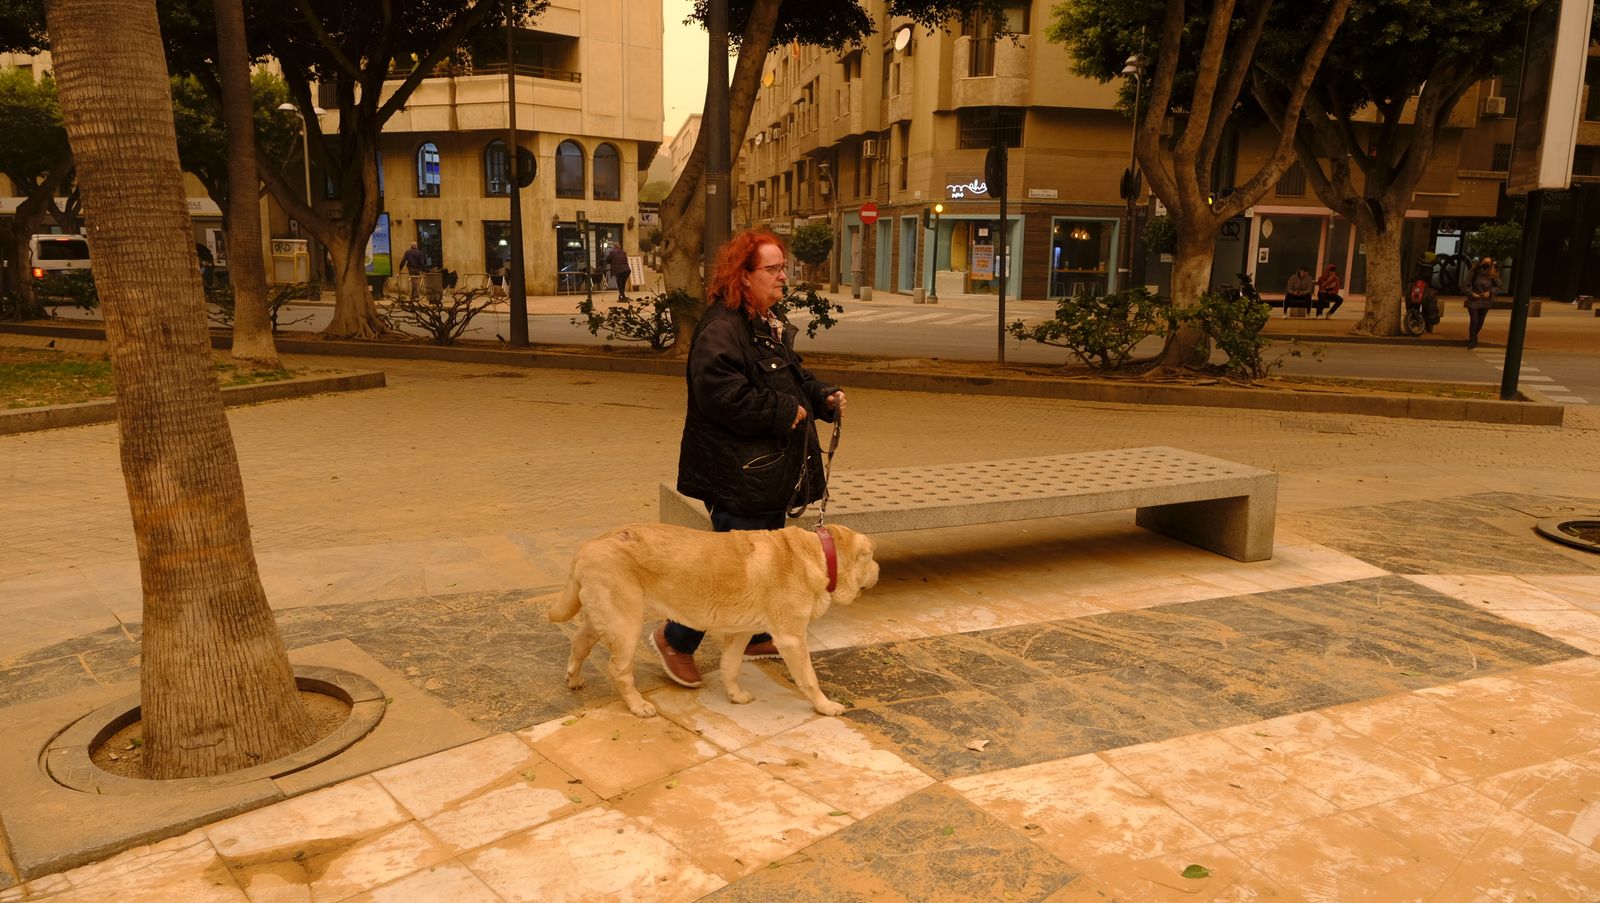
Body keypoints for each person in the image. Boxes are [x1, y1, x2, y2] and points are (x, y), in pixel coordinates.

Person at [654, 228, 847, 689]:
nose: (783, 276)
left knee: (767, 562)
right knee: (725, 572)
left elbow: (792, 378)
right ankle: (675, 640)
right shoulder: (722, 328)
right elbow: (720, 396)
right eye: (773, 268)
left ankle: (757, 633)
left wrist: (822, 397)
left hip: (768, 471)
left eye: (784, 267)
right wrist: (782, 411)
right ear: (744, 275)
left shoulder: (765, 320)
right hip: (738, 473)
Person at [1465, 256, 1499, 349]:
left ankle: (1474, 336)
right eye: (1485, 263)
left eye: (1488, 263)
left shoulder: (1492, 274)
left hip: (1486, 301)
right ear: (1480, 263)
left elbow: (1498, 286)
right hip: (1474, 300)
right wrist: (1472, 293)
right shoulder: (1474, 272)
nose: (1486, 265)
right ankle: (1472, 341)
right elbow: (1465, 285)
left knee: (1480, 322)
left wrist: (1490, 292)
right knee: (1474, 321)